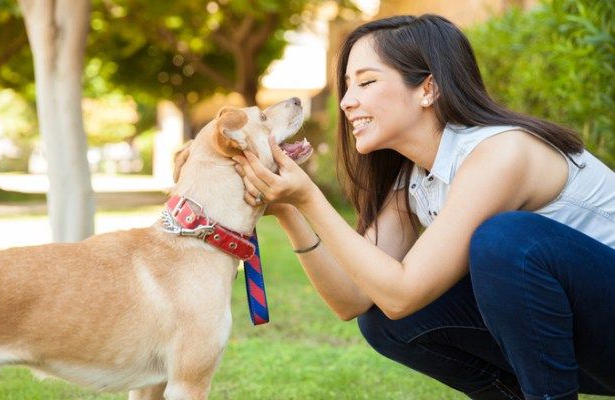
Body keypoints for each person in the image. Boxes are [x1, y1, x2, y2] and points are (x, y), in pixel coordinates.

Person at [232, 14, 615, 400]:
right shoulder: (414, 176)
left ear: (428, 88)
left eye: (366, 82)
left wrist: (309, 196)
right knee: (383, 319)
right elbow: (354, 299)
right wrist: (290, 209)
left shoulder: (500, 153)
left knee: (504, 241)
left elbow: (403, 293)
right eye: (347, 86)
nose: (347, 102)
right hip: (586, 341)